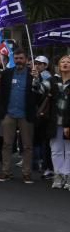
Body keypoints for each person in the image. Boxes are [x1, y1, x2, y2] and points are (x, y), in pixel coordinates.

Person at [0, 48, 43, 183]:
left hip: (26, 114)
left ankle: (26, 173)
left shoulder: (32, 74)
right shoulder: (7, 73)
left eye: (21, 58)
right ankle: (6, 172)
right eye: (16, 58)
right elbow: (1, 93)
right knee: (6, 144)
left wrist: (37, 78)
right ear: (13, 59)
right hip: (9, 113)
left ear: (26, 59)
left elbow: (39, 93)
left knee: (27, 146)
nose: (19, 61)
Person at [45, 55, 70, 189]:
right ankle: (58, 175)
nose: (65, 64)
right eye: (63, 62)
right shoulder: (53, 80)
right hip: (55, 122)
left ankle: (68, 176)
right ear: (59, 65)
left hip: (68, 122)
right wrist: (36, 78)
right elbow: (40, 89)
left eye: (68, 62)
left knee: (69, 151)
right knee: (56, 150)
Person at [33, 55, 54, 179]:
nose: (37, 65)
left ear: (45, 65)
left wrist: (37, 79)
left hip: (44, 113)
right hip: (40, 112)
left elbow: (40, 90)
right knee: (41, 140)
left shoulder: (47, 76)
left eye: (40, 63)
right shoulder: (38, 74)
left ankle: (45, 165)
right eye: (36, 62)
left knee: (44, 141)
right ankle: (43, 164)